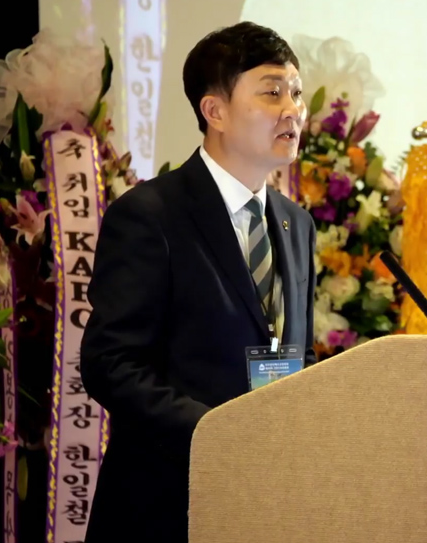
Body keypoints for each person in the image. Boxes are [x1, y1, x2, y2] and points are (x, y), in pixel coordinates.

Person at [79, 22, 315, 543]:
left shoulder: (296, 224)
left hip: (270, 502)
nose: (293, 110)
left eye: (297, 93)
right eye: (272, 92)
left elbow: (299, 353)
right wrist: (217, 433)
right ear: (215, 111)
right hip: (167, 502)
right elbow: (110, 363)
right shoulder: (150, 215)